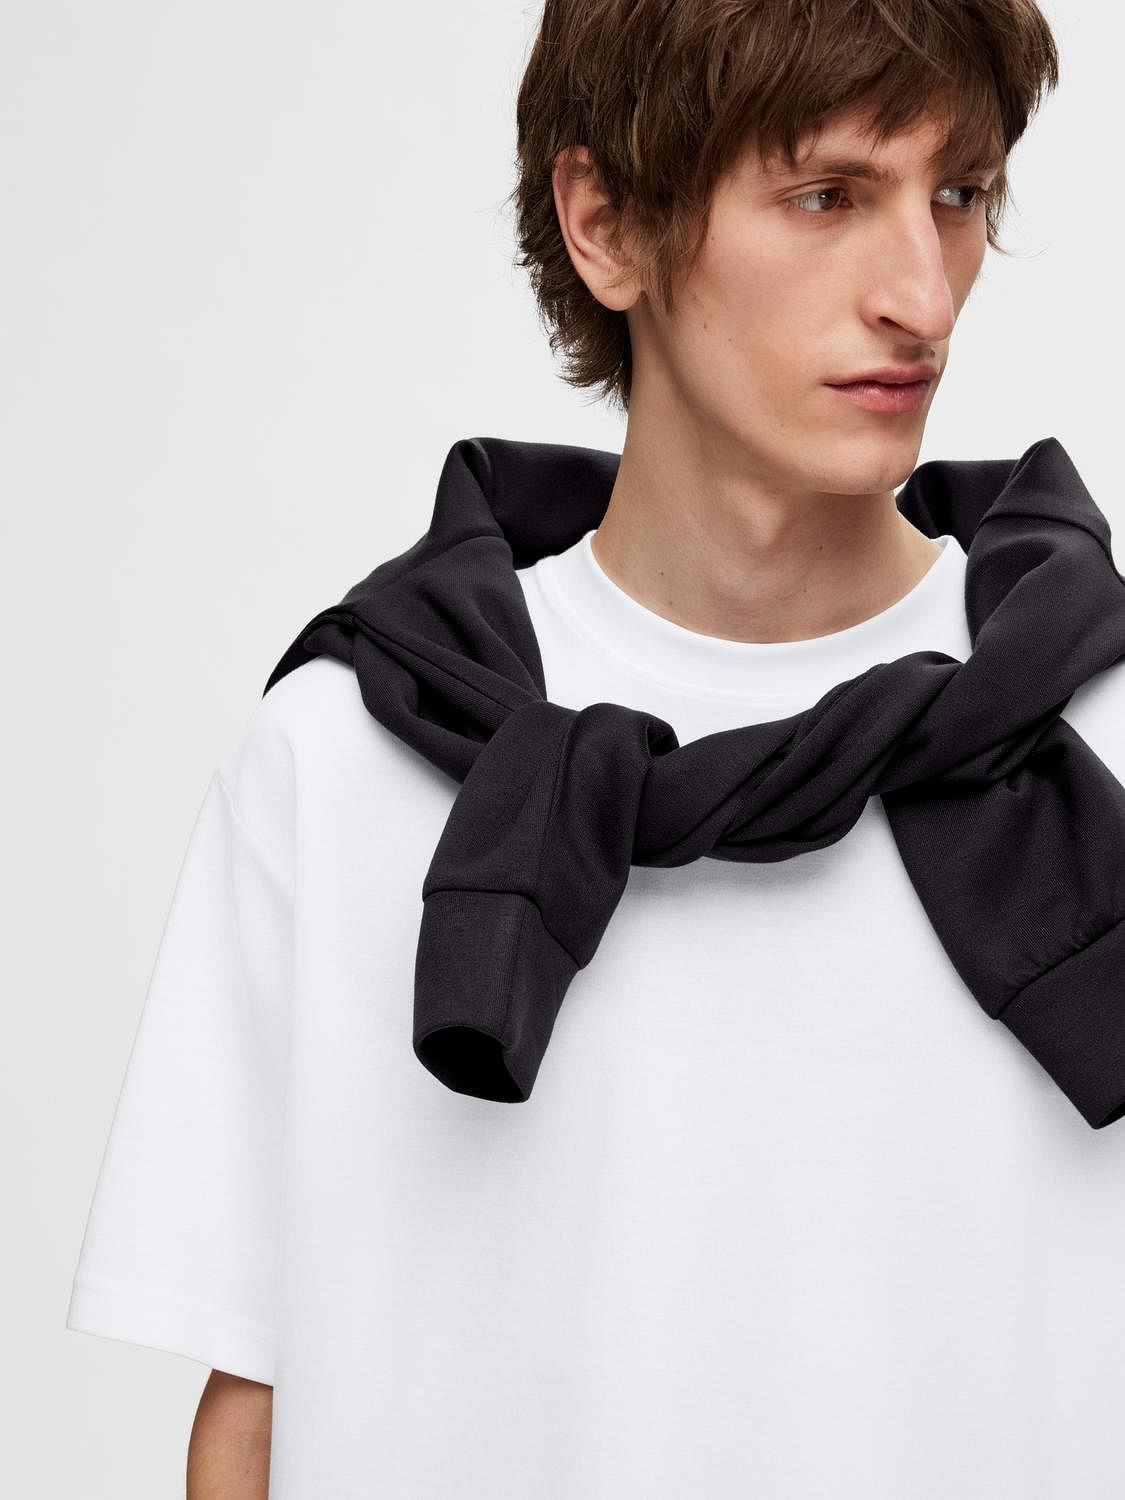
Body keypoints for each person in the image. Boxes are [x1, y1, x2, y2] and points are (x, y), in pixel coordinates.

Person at [68, 2, 1125, 1496]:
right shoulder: (350, 757)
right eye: (827, 196)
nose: (922, 296)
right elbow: (250, 1420)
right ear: (607, 225)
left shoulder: (1095, 731)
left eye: (956, 194)